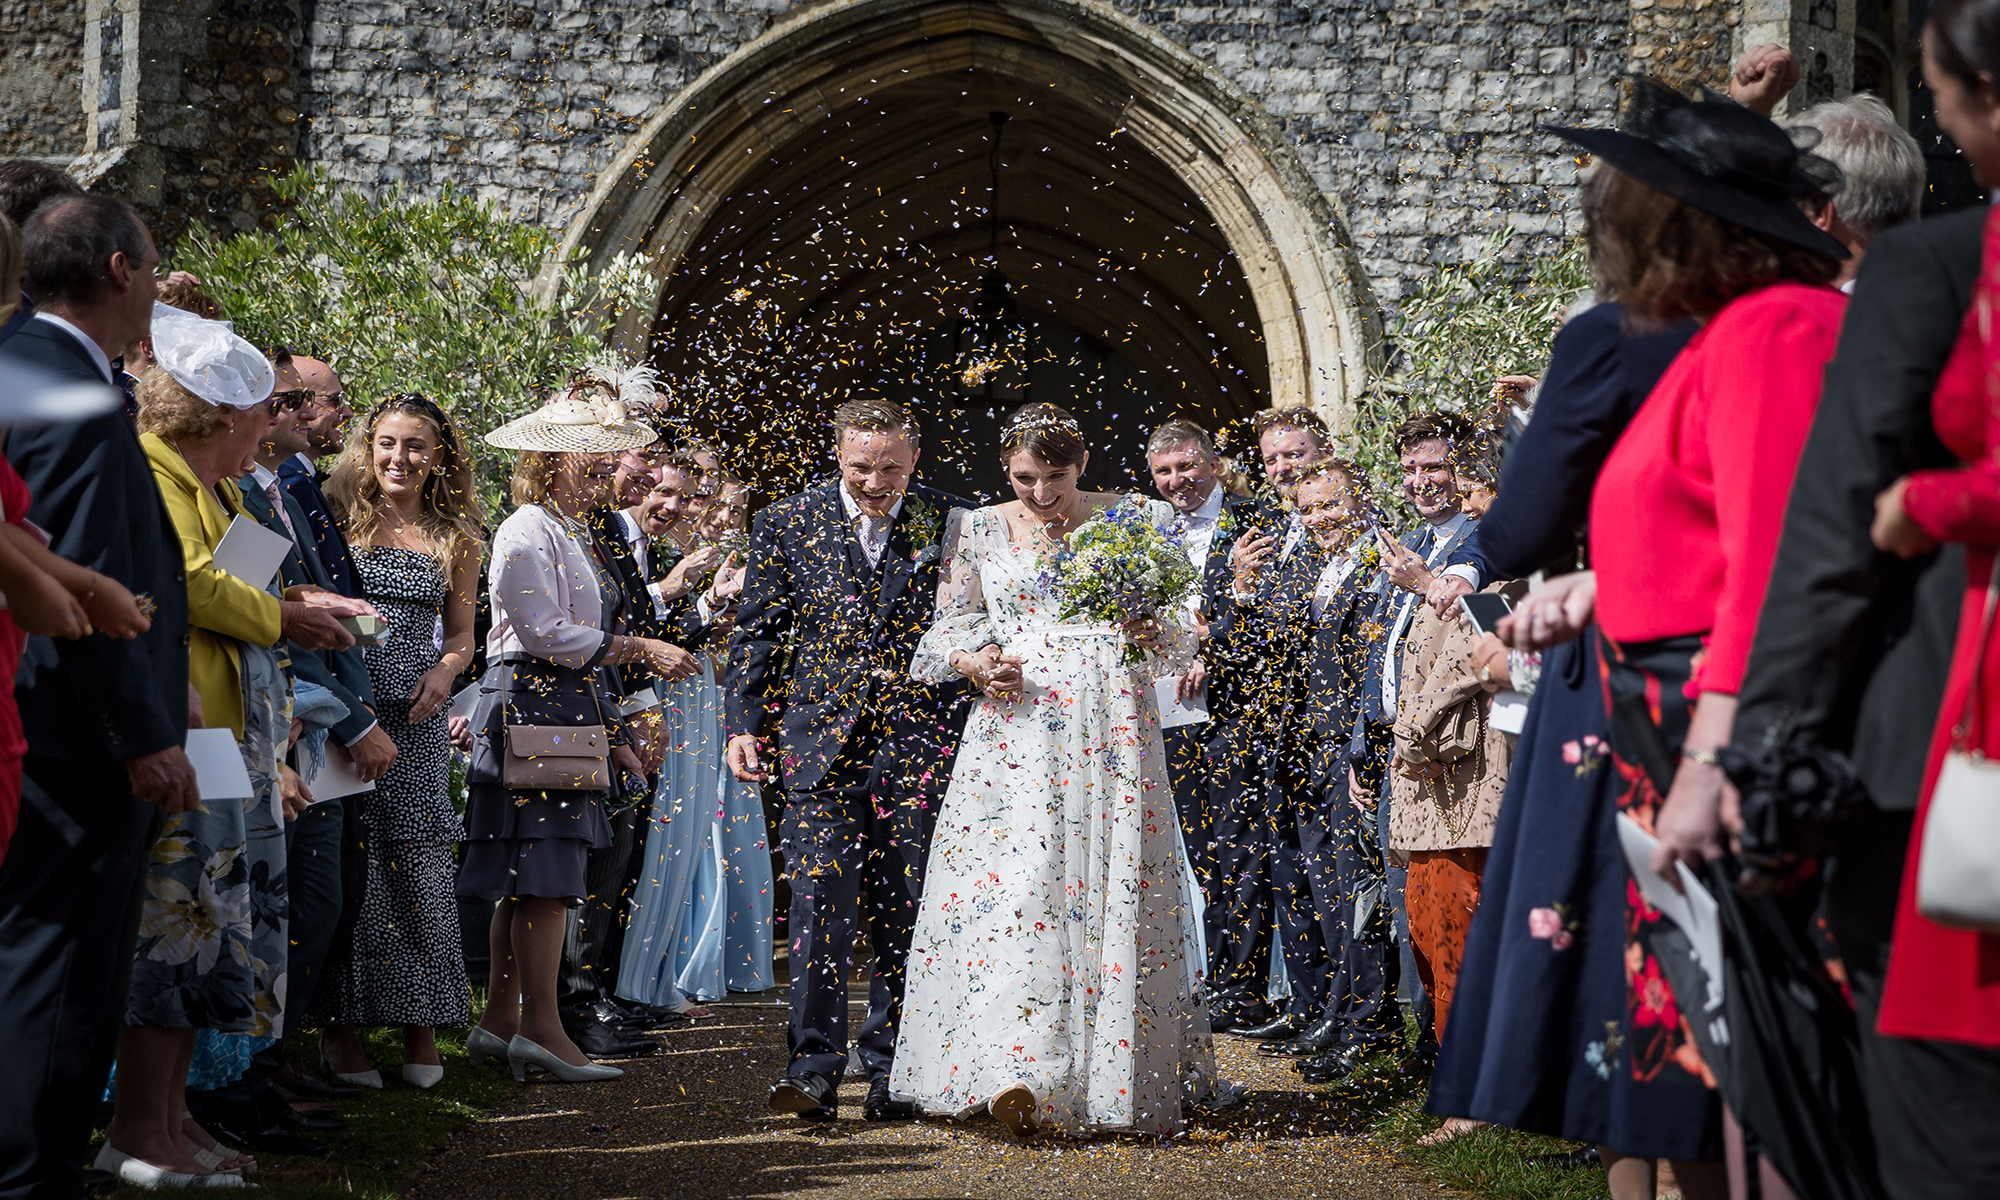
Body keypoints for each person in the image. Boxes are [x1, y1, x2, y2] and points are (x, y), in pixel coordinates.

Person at [1518, 80, 1849, 1200]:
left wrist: (1711, 760)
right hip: (1671, 730)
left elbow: (1774, 564)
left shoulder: (1772, 329)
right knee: (1723, 1065)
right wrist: (1597, 592)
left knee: (1780, 1073)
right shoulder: (1735, 334)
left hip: (1730, 744)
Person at [1775, 2, 2000, 1192]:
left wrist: (1934, 505)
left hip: (1957, 700)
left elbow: (1828, 534)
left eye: (1946, 97)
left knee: (1936, 1075)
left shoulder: (1937, 266)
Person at [888, 402, 1221, 1137]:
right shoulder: (976, 526)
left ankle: (1109, 1074)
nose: (1041, 494)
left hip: (1114, 724)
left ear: (1084, 464)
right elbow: (946, 633)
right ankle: (1014, 1067)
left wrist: (1148, 627)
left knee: (1111, 888)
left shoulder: (1137, 518)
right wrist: (979, 664)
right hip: (1019, 727)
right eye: (1025, 478)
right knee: (1017, 888)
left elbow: (1179, 640)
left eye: (1056, 477)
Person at [110, 307, 363, 1188]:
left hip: (236, 734)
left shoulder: (216, 485)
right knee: (178, 926)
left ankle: (173, 1119)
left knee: (216, 928)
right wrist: (286, 613)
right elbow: (186, 585)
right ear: (223, 414)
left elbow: (236, 579)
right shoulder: (155, 471)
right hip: (193, 728)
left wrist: (299, 604)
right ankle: (140, 1127)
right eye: (269, 406)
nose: (280, 422)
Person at [0, 193, 195, 1200]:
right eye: (154, 266)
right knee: (60, 968)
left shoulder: (34, 369)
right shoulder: (65, 393)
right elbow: (77, 579)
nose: (159, 285)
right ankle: (33, 1174)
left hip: (52, 725)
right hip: (73, 738)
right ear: (121, 270)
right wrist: (140, 733)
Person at [725, 398, 973, 1123]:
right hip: (818, 746)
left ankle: (894, 1068)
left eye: (890, 467)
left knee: (908, 909)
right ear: (838, 455)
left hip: (919, 742)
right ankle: (812, 1072)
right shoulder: (785, 521)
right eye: (862, 467)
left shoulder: (948, 520)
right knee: (817, 908)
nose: (875, 482)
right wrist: (744, 724)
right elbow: (758, 635)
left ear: (914, 458)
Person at [460, 380, 686, 1084]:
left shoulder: (567, 530)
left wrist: (612, 725)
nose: (601, 466)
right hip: (531, 702)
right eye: (586, 454)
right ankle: (544, 1030)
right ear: (548, 459)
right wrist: (640, 650)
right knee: (546, 875)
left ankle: (499, 1026)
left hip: (561, 705)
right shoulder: (526, 528)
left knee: (540, 877)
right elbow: (544, 632)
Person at [314, 393, 486, 1090]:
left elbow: (464, 636)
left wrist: (446, 672)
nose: (399, 458)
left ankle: (421, 1029)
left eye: (416, 446)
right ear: (367, 445)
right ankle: (341, 1033)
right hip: (344, 717)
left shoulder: (458, 534)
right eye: (387, 442)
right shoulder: (335, 514)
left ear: (439, 456)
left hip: (414, 729)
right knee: (346, 869)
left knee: (416, 870)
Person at [1386, 440, 1518, 1080]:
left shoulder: (1497, 577)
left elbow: (1486, 659)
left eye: (1477, 501)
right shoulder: (1464, 566)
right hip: (1431, 778)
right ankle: (1454, 1067)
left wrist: (1411, 732)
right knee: (1426, 921)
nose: (1468, 520)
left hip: (1464, 775)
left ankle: (1474, 1081)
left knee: (1456, 922)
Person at [1203, 404, 1333, 1034]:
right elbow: (1241, 643)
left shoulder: (1345, 527)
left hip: (1327, 728)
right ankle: (1309, 1010)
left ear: (1324, 451)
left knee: (1332, 878)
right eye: (1274, 457)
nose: (1283, 467)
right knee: (1290, 875)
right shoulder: (1263, 534)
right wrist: (1244, 591)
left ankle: (1351, 1016)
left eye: (1296, 453)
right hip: (1271, 729)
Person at [1145, 418, 1274, 952]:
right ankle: (1209, 967)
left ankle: (1242, 983)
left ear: (1214, 464)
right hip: (1165, 702)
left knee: (1238, 840)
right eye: (1164, 471)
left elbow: (1268, 615)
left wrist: (1210, 652)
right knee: (1194, 840)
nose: (1178, 480)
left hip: (1236, 704)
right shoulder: (1144, 530)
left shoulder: (1258, 521)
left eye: (1187, 465)